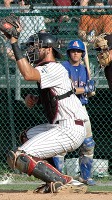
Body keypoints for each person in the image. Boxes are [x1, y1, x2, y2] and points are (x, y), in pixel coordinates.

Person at [0, 14, 92, 193]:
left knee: (19, 157)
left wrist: (14, 43)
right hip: (61, 125)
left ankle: (62, 180)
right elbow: (56, 95)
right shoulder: (49, 69)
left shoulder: (54, 67)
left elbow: (28, 74)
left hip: (69, 128)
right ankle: (58, 179)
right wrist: (36, 98)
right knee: (26, 136)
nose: (33, 49)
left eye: (36, 46)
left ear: (48, 49)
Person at [51, 40, 96, 186]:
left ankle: (85, 177)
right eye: (73, 51)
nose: (75, 53)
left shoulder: (85, 70)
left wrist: (90, 89)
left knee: (88, 144)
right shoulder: (63, 68)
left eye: (78, 51)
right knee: (61, 144)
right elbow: (70, 90)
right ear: (69, 53)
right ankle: (59, 178)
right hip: (66, 108)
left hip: (81, 108)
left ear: (82, 54)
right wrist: (86, 89)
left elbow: (88, 94)